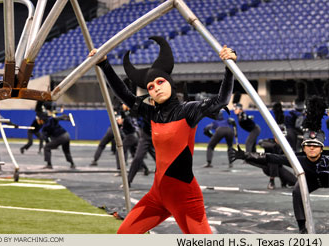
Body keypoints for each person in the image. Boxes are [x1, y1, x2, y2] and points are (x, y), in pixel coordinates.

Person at [89, 36, 236, 234]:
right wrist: (104, 64)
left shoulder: (188, 111)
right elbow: (125, 94)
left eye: (160, 82)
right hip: (157, 196)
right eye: (150, 86)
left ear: (170, 83)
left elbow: (221, 100)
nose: (156, 87)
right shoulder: (152, 113)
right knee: (124, 235)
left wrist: (229, 67)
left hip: (185, 199)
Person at [229, 96, 327, 233]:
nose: (311, 148)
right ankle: (302, 228)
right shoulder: (298, 159)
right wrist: (246, 155)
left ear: (322, 149)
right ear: (303, 148)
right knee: (297, 192)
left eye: (315, 146)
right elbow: (272, 157)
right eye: (308, 145)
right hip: (310, 181)